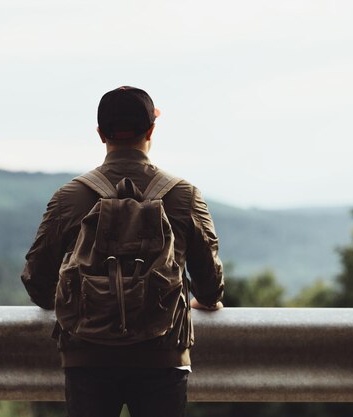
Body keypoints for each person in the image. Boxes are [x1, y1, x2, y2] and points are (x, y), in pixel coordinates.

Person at [21, 86, 224, 417]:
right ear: (151, 131)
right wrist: (204, 300)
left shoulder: (69, 197)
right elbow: (211, 285)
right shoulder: (184, 196)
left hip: (87, 357)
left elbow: (37, 282)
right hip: (162, 356)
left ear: (101, 134)